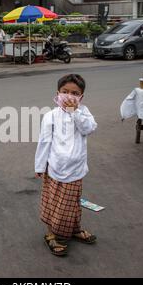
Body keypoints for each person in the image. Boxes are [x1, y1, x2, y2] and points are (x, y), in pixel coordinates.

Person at [35, 74, 98, 256]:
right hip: (54, 167)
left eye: (74, 93)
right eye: (65, 92)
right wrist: (40, 166)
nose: (69, 96)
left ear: (81, 97)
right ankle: (54, 235)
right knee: (55, 203)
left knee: (71, 203)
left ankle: (73, 230)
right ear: (58, 94)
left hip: (76, 168)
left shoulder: (83, 112)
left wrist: (75, 112)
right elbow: (44, 142)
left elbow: (89, 128)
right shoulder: (50, 116)